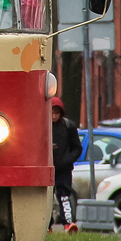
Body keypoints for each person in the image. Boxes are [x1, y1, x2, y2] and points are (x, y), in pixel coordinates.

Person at [51, 96, 82, 232]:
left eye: (56, 113)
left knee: (64, 196)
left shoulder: (69, 126)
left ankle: (68, 224)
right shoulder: (41, 125)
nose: (54, 116)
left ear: (61, 113)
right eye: (51, 113)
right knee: (46, 200)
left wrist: (68, 160)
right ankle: (46, 226)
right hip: (47, 169)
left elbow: (77, 148)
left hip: (64, 169)